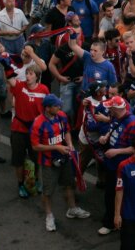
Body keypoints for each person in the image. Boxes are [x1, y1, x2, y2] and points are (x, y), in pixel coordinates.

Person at [30, 93, 88, 232]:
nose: (59, 107)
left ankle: (72, 208)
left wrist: (69, 144)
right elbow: (35, 146)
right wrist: (56, 147)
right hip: (48, 162)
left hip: (65, 157)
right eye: (56, 106)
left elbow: (67, 131)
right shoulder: (38, 123)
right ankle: (49, 216)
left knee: (69, 184)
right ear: (47, 108)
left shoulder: (61, 116)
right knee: (48, 191)